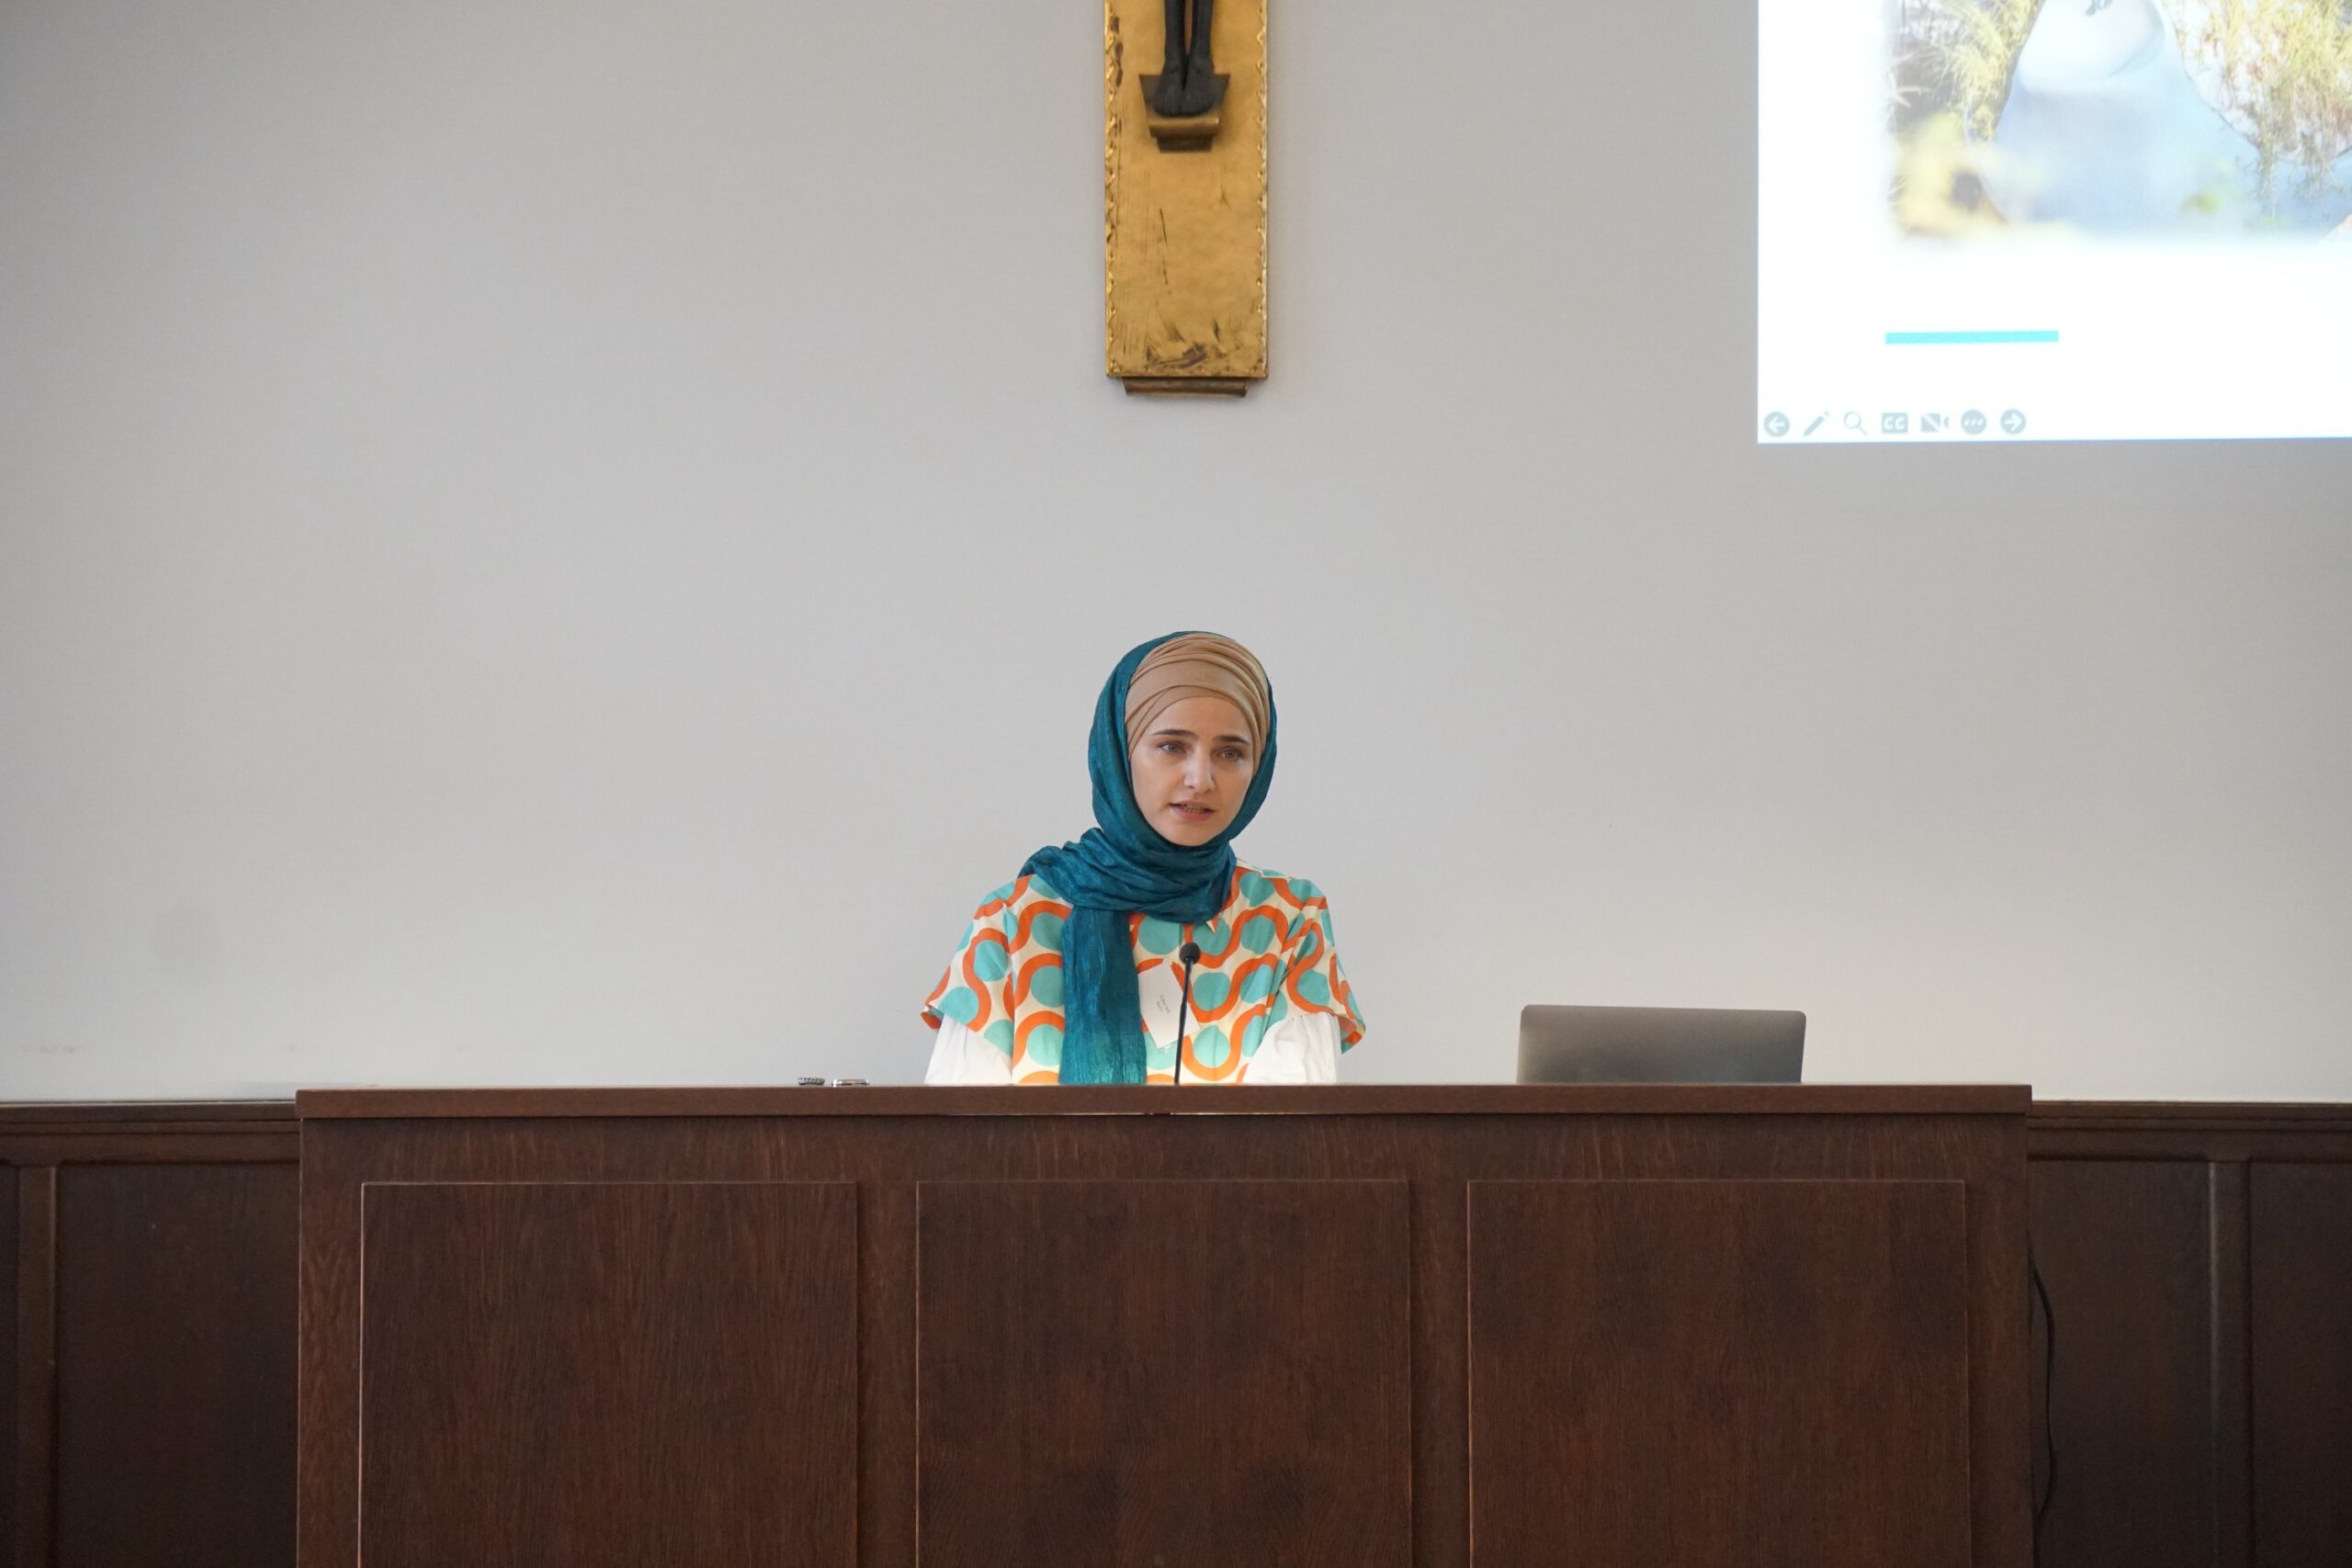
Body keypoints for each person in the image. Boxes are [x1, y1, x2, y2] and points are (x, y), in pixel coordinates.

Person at [922, 632, 1363, 1085]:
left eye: (1230, 753)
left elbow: (1291, 1122)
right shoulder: (1014, 921)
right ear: (1119, 751)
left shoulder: (1287, 919)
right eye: (1172, 746)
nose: (1201, 779)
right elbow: (968, 1124)